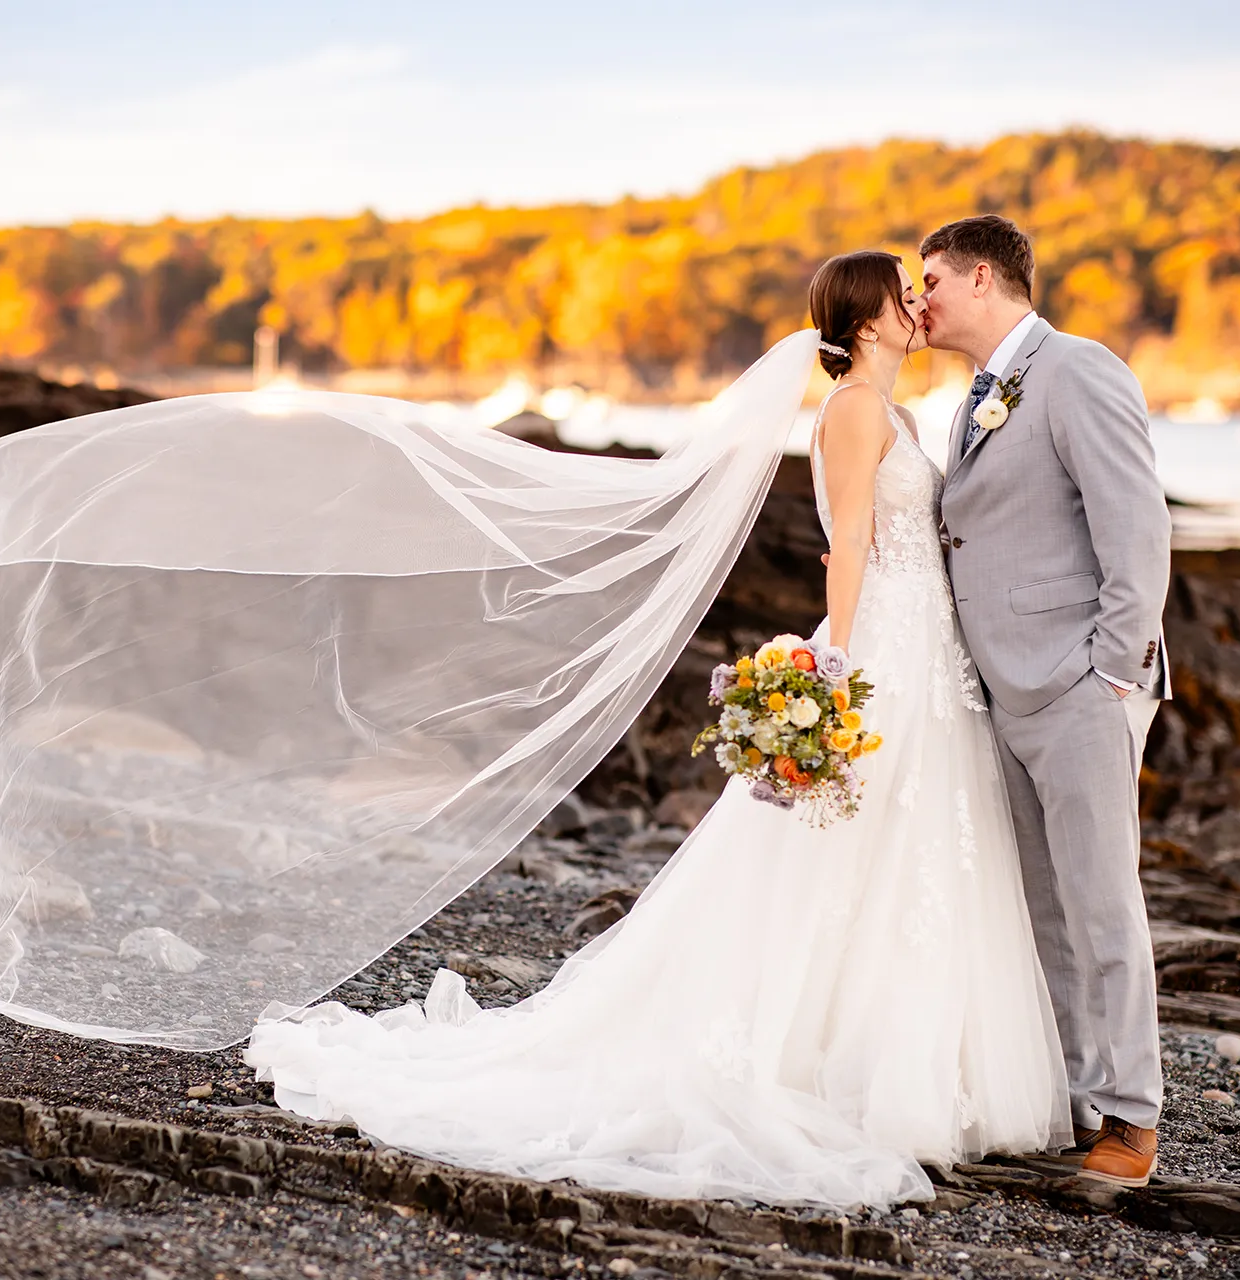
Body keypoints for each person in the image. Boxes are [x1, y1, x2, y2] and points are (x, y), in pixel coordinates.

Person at [242, 250, 1072, 1209]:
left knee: (917, 853)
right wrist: (839, 669)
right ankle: (840, 1069)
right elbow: (849, 547)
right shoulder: (850, 412)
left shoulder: (895, 411)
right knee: (851, 857)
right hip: (883, 646)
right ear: (869, 318)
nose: (920, 302)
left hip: (934, 656)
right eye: (905, 291)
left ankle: (913, 1068)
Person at [921, 214, 1173, 1187]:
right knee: (1046, 910)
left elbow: (1135, 521)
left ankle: (1134, 1117)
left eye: (933, 277)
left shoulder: (1078, 368)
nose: (922, 296)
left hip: (1075, 685)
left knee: (1104, 903)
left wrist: (1114, 668)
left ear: (983, 276)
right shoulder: (973, 400)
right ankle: (1076, 1095)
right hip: (1005, 689)